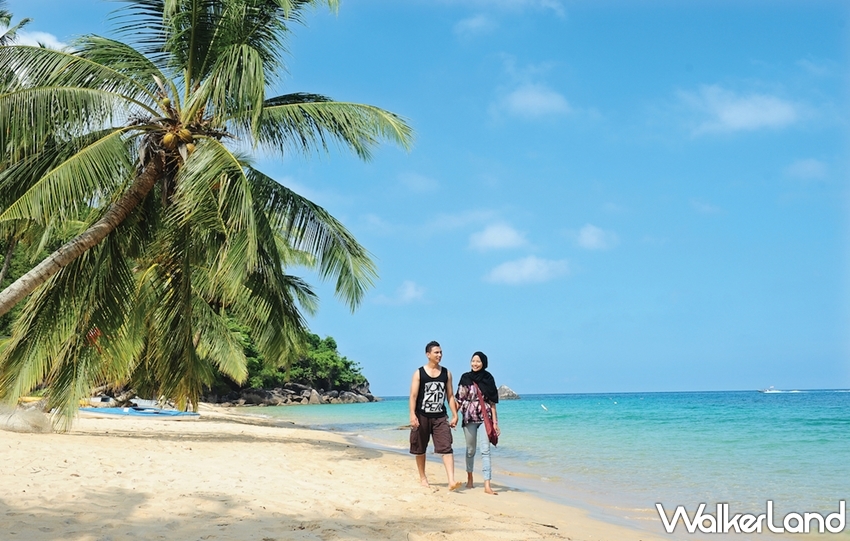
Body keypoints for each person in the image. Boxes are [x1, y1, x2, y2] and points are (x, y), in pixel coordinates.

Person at [409, 340, 462, 490]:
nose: (439, 355)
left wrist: (455, 415)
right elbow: (413, 396)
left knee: (446, 447)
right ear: (428, 354)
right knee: (420, 448)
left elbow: (450, 396)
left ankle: (451, 480)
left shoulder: (446, 373)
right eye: (436, 352)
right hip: (422, 415)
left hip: (440, 417)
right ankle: (423, 478)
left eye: (441, 352)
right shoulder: (419, 373)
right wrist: (412, 415)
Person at [455, 351, 500, 495]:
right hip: (469, 418)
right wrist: (454, 416)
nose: (475, 364)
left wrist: (495, 423)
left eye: (478, 361)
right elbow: (460, 399)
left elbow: (492, 403)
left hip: (485, 419)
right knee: (470, 450)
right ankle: (470, 478)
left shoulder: (488, 378)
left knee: (485, 450)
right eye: (473, 361)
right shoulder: (465, 378)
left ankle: (487, 484)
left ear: (484, 363)